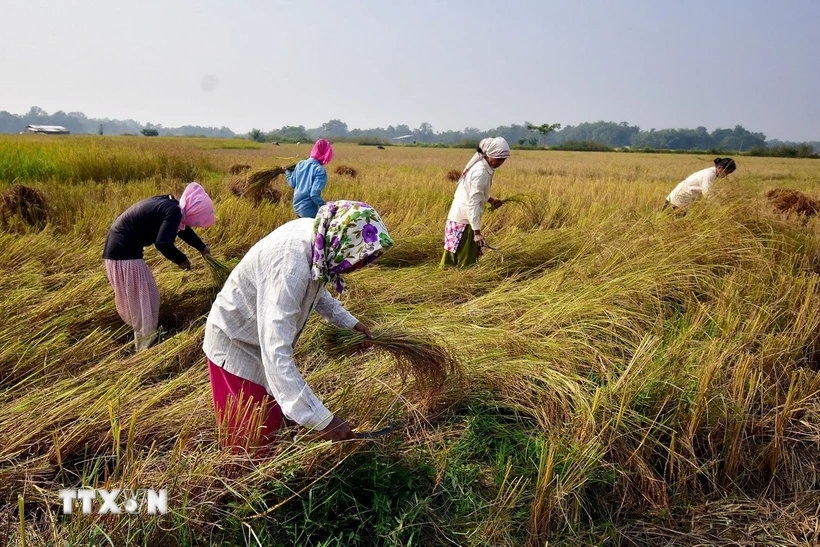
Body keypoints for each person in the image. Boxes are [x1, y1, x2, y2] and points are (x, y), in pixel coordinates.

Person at [203, 200, 394, 451]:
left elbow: (314, 288)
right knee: (251, 438)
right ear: (344, 242)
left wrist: (350, 322)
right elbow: (276, 350)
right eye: (359, 258)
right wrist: (323, 420)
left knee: (271, 422)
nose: (359, 267)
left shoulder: (319, 238)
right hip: (236, 343)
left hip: (257, 341)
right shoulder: (290, 264)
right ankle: (244, 483)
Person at [103, 182, 215, 351]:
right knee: (144, 302)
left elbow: (181, 229)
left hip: (119, 253)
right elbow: (162, 243)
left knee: (147, 297)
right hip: (124, 256)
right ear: (194, 211)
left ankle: (146, 340)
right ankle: (144, 349)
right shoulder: (174, 211)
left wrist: (201, 247)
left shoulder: (171, 205)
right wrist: (181, 260)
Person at [440, 137, 510, 268]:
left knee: (452, 255)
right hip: (465, 221)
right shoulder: (481, 172)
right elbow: (473, 202)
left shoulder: (483, 165)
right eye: (498, 159)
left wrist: (490, 200)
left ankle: (444, 280)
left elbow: (476, 192)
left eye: (503, 160)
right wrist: (476, 233)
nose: (500, 162)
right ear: (488, 154)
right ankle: (461, 284)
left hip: (459, 218)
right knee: (466, 260)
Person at [664, 157, 737, 213]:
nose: (726, 175)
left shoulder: (712, 174)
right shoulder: (709, 175)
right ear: (720, 168)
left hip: (679, 200)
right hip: (678, 201)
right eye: (726, 172)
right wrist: (720, 209)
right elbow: (708, 194)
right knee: (674, 226)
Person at [286, 139, 334, 218]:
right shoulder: (319, 170)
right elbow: (314, 195)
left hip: (297, 207)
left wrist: (287, 172)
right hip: (309, 210)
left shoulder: (301, 163)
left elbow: (292, 183)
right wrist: (326, 207)